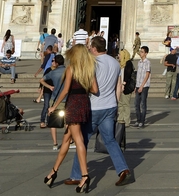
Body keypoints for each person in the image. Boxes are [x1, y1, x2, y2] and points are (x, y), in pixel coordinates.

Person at [54, 37, 134, 188]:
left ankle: (78, 175)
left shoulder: (92, 63)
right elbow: (118, 86)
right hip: (110, 106)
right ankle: (123, 169)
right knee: (110, 140)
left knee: (81, 140)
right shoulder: (116, 63)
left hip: (94, 107)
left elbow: (89, 85)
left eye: (90, 47)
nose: (89, 50)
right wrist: (116, 104)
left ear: (94, 48)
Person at [46, 43, 95, 190]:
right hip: (84, 103)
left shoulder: (71, 69)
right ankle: (53, 171)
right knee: (66, 139)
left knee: (78, 139)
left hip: (73, 104)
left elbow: (66, 90)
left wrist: (54, 106)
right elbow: (95, 89)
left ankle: (85, 175)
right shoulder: (88, 70)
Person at [41, 53, 66, 147]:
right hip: (66, 99)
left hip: (55, 99)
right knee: (68, 123)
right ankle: (69, 141)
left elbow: (41, 80)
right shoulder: (69, 71)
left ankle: (55, 143)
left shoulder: (53, 72)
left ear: (56, 62)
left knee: (53, 122)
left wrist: (50, 87)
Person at [133, 46, 151, 127]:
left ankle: (142, 121)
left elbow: (147, 75)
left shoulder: (147, 62)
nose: (140, 53)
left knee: (143, 104)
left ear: (146, 53)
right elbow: (138, 75)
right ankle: (138, 119)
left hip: (144, 86)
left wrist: (141, 86)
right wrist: (136, 86)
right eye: (140, 51)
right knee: (136, 104)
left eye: (142, 52)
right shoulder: (139, 62)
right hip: (138, 85)